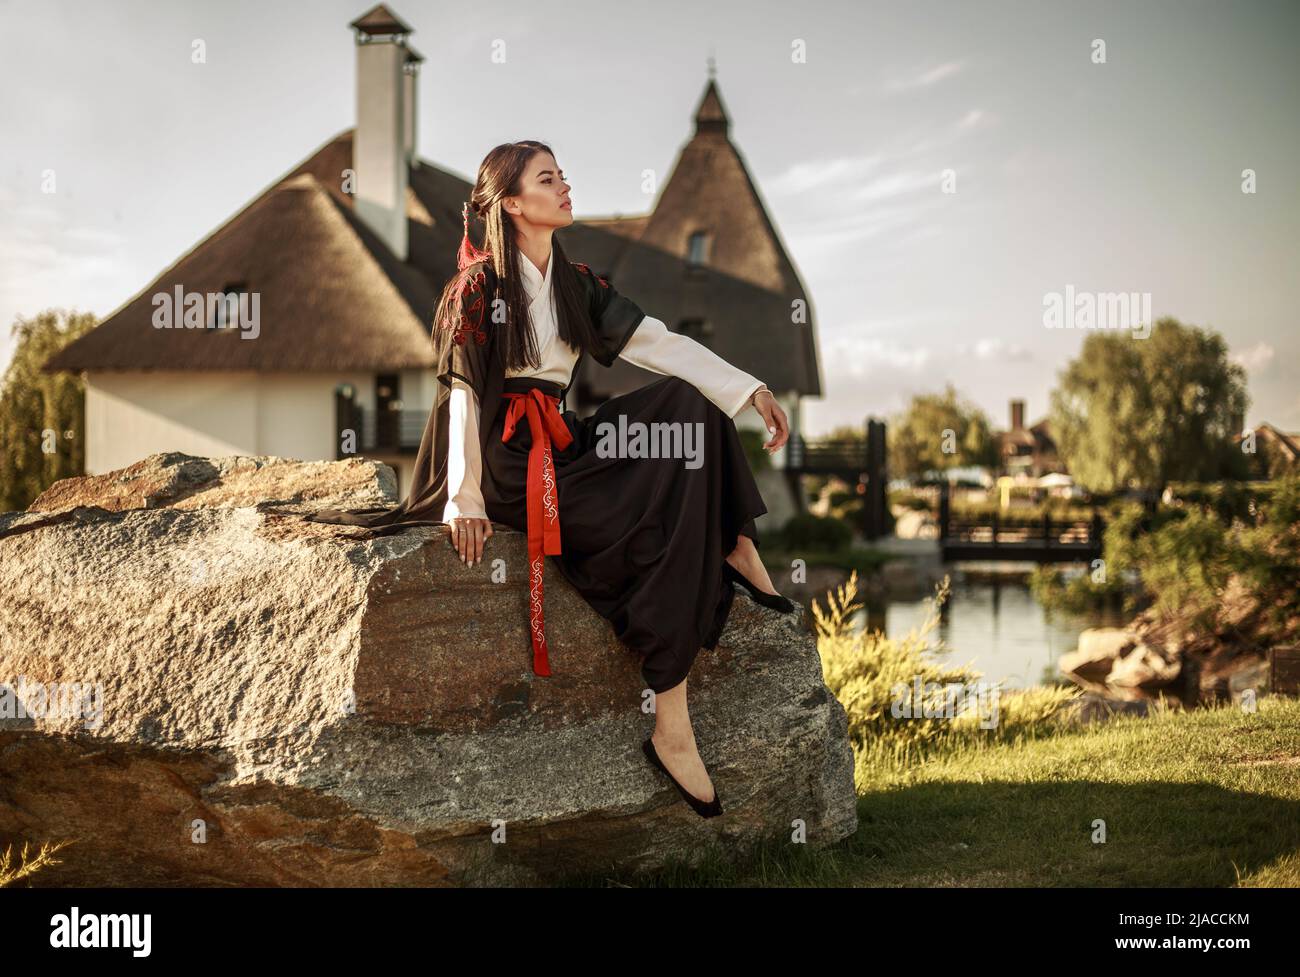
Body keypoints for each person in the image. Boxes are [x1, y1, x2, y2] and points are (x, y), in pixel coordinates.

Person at [304, 140, 794, 817]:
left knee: (688, 405)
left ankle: (734, 539)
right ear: (511, 202)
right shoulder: (476, 287)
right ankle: (672, 722)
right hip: (505, 462)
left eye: (563, 174)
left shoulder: (575, 281)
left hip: (560, 444)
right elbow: (465, 395)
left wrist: (751, 389)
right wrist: (463, 496)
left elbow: (659, 343)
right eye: (547, 178)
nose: (565, 185)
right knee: (650, 527)